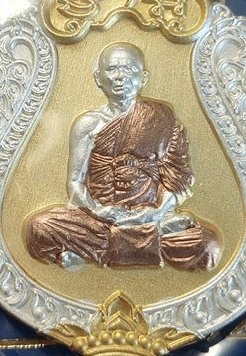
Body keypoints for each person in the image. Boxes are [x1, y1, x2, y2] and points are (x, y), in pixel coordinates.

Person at [25, 42, 221, 270]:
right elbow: (76, 182)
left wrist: (155, 212)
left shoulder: (164, 120)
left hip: (152, 212)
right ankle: (147, 238)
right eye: (113, 69)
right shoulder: (88, 124)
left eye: (129, 69)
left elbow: (178, 180)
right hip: (100, 219)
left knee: (208, 245)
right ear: (98, 78)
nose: (120, 76)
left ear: (143, 78)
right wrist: (99, 211)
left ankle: (102, 248)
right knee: (39, 227)